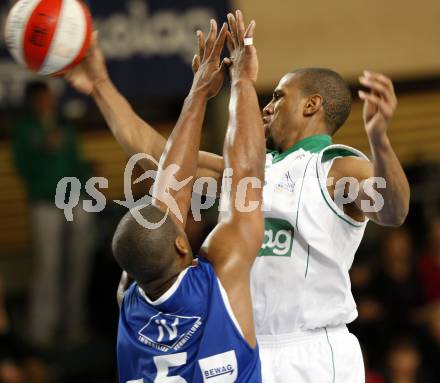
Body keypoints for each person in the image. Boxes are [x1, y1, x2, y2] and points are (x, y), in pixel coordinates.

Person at [65, 9, 410, 382]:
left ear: (312, 105)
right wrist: (100, 85)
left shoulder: (335, 166)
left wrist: (379, 141)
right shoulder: (243, 166)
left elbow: (393, 211)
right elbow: (157, 155)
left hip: (311, 350)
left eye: (278, 97)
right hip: (243, 343)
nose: (267, 105)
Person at [112, 15, 264, 382]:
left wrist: (199, 93)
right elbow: (244, 174)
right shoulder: (220, 284)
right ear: (182, 244)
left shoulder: (129, 304)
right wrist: (239, 81)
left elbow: (171, 194)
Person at [12, 81, 95, 347]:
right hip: (45, 202)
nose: (50, 100)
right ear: (35, 99)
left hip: (75, 199)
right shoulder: (25, 129)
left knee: (79, 262)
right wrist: (43, 150)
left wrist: (87, 182)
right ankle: (42, 329)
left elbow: (77, 161)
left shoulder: (65, 125)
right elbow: (22, 165)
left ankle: (74, 324)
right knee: (48, 265)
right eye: (45, 96)